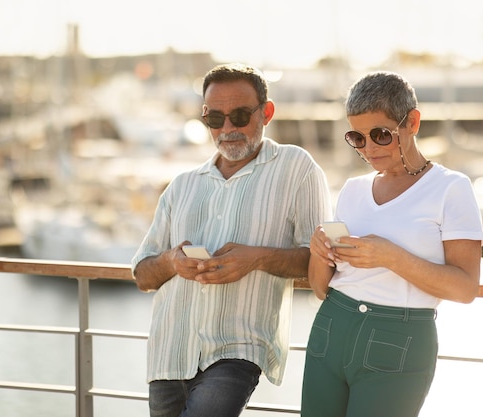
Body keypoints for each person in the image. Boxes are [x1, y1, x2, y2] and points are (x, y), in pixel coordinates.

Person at [131, 63, 332, 417]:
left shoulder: (297, 168)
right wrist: (170, 262)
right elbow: (142, 274)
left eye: (239, 115)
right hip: (168, 355)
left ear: (266, 112)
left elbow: (317, 260)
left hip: (236, 351)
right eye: (215, 119)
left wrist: (255, 258)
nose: (227, 129)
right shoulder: (182, 185)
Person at [301, 71, 483, 417]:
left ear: (412, 122)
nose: (368, 148)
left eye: (381, 135)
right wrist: (318, 251)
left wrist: (390, 256)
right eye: (357, 137)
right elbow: (320, 287)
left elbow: (465, 289)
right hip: (330, 328)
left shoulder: (451, 188)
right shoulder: (353, 190)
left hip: (399, 340)